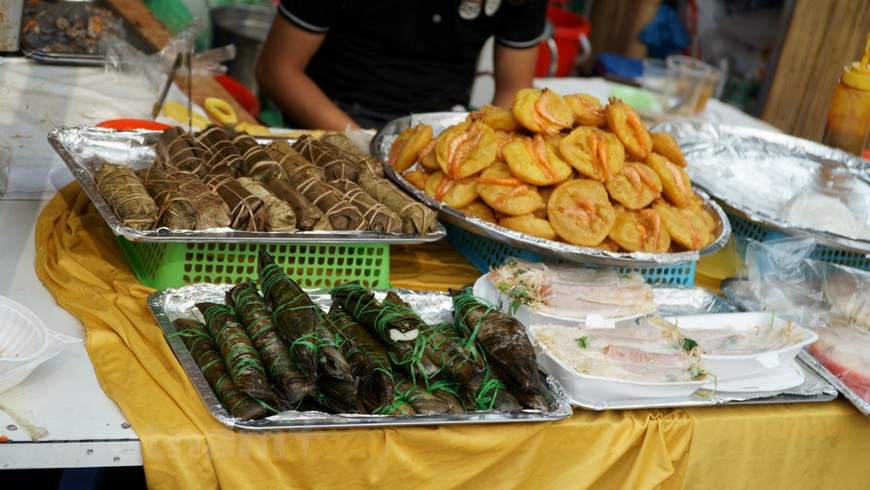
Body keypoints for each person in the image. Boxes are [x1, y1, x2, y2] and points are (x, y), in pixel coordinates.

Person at [256, 0, 548, 130]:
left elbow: (515, 91)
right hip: (333, 118)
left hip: (441, 125)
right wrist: (359, 141)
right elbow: (276, 71)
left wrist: (478, 144)